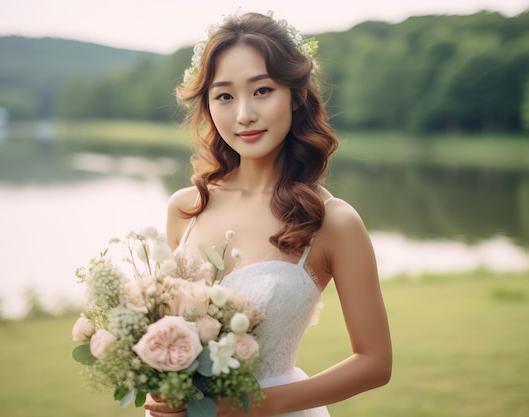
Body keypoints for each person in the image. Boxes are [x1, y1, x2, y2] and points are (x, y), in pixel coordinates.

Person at [145, 10, 392, 417]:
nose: (244, 114)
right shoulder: (185, 208)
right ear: (208, 105)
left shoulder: (333, 222)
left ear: (295, 95)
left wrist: (241, 407)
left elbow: (375, 363)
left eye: (262, 90)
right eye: (224, 95)